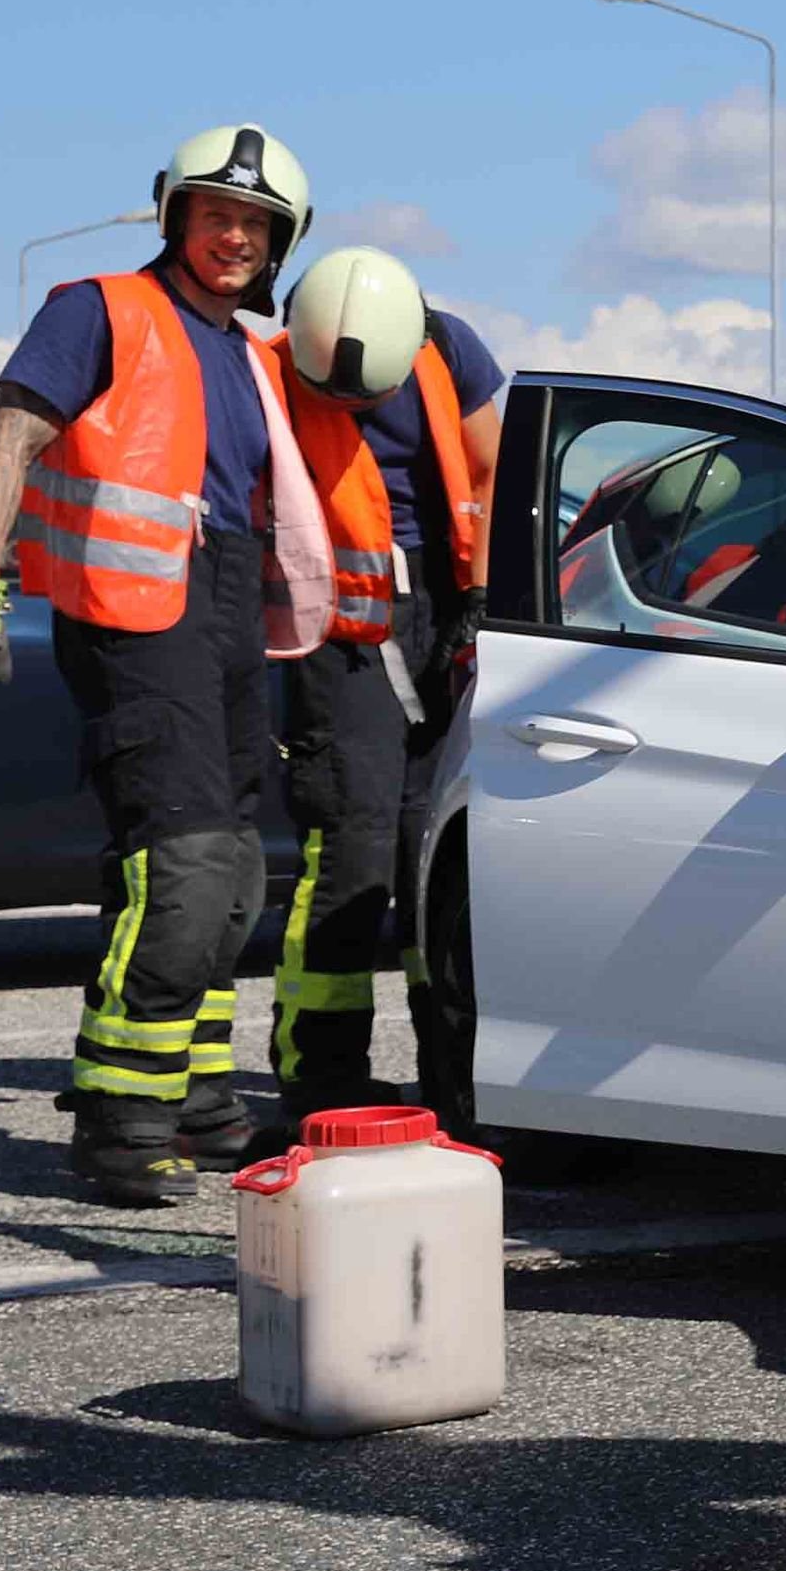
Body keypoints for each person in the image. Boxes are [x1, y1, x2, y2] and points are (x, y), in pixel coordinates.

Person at [0, 126, 330, 1205]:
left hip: (223, 610)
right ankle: (120, 1118)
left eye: (256, 224)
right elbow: (13, 435)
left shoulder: (247, 353)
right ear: (175, 215)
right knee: (178, 865)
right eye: (215, 214)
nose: (234, 237)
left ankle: (196, 1100)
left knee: (233, 875)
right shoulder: (98, 309)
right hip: (134, 616)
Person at [265, 246, 501, 1123]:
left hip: (442, 614)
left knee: (433, 847)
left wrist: (482, 595)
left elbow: (490, 465)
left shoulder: (448, 346)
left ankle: (454, 1070)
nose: (355, 410)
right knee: (352, 841)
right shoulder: (272, 369)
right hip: (337, 631)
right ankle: (322, 1073)